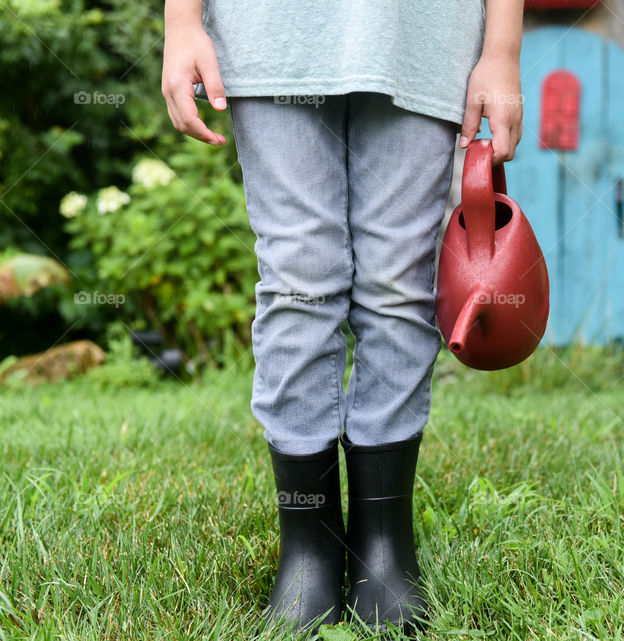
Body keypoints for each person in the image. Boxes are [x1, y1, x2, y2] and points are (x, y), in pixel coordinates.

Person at [160, 0, 524, 635]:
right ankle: (309, 547)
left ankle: (384, 547)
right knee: (300, 281)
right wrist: (182, 23)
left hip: (423, 37)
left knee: (400, 284)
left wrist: (502, 52)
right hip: (271, 35)